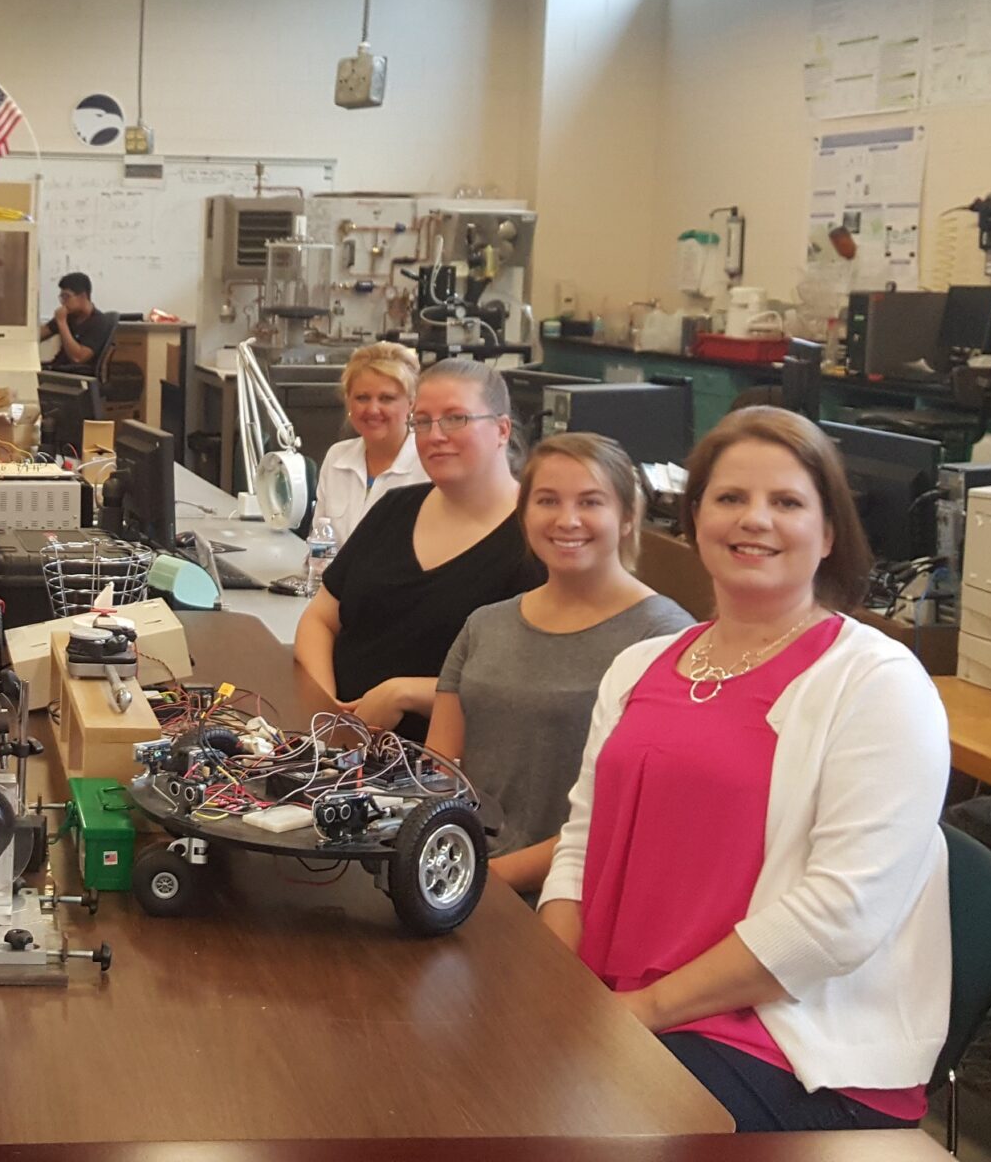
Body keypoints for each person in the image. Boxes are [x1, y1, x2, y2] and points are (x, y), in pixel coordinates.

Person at [538, 407, 950, 1134]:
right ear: (695, 520)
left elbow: (840, 918)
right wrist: (559, 991)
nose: (754, 520)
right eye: (730, 499)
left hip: (784, 1044)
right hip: (615, 1007)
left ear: (827, 534)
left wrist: (636, 1014)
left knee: (548, 1122)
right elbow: (581, 842)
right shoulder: (638, 666)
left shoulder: (878, 682)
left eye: (786, 502)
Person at [422, 433, 693, 894]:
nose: (567, 520)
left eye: (590, 502)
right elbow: (436, 777)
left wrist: (481, 884)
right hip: (458, 880)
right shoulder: (485, 624)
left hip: (565, 897)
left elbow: (631, 819)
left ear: (628, 518)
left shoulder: (664, 638)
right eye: (547, 500)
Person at [293, 357, 546, 741]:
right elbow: (321, 619)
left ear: (501, 429)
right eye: (423, 421)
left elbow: (527, 682)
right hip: (340, 747)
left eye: (455, 418)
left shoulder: (535, 541)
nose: (435, 435)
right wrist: (329, 711)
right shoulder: (396, 508)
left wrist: (406, 693)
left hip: (436, 771)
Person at [309, 341, 427, 545]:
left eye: (386, 398)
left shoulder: (428, 464)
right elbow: (319, 545)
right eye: (362, 398)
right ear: (348, 401)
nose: (372, 409)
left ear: (411, 403)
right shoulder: (337, 457)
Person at [40, 271, 114, 378]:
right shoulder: (70, 316)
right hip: (57, 368)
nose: (63, 302)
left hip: (75, 377)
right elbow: (38, 335)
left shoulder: (99, 322)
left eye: (67, 297)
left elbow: (78, 358)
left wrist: (62, 323)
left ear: (83, 296)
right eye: (61, 297)